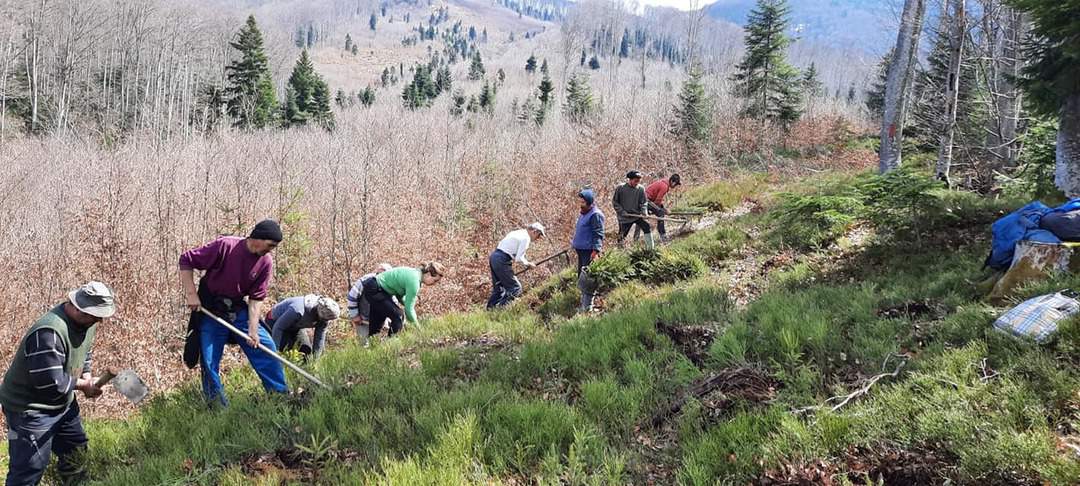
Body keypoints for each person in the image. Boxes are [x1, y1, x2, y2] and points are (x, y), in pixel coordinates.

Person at [0, 281, 116, 486]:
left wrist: (87, 376)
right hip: (30, 408)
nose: (100, 321)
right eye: (96, 316)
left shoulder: (86, 323)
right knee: (29, 469)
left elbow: (84, 350)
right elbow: (50, 383)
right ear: (80, 309)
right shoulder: (49, 332)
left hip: (62, 403)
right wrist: (84, 386)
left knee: (76, 452)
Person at [179, 219, 288, 407]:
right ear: (258, 238)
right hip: (210, 308)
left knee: (265, 345)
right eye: (270, 245)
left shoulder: (265, 262)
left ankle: (280, 395)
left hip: (237, 309)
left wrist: (253, 330)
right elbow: (186, 260)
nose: (271, 250)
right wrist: (191, 294)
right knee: (208, 357)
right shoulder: (226, 246)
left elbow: (256, 298)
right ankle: (218, 407)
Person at [360, 262, 445, 338]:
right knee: (398, 316)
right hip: (375, 290)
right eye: (435, 280)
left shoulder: (414, 273)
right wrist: (419, 329)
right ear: (428, 274)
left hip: (373, 287)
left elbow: (399, 296)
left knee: (377, 325)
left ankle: (372, 346)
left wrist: (408, 304)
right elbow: (408, 310)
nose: (434, 284)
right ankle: (391, 345)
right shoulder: (415, 281)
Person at [487, 222, 546, 309]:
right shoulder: (526, 238)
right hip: (502, 259)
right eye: (539, 235)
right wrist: (528, 264)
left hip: (494, 256)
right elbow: (519, 258)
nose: (538, 238)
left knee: (499, 289)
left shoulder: (517, 232)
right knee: (515, 288)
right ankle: (499, 310)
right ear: (534, 231)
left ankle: (489, 311)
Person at [264, 294, 341, 360]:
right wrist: (275, 351)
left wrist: (315, 360)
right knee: (289, 350)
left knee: (306, 353)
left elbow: (319, 338)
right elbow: (278, 327)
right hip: (274, 323)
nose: (326, 321)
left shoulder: (324, 318)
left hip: (295, 327)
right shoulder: (297, 310)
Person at [572, 189, 605, 312]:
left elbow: (598, 233)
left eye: (583, 202)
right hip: (581, 250)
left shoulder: (596, 215)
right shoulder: (583, 213)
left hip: (589, 251)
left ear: (589, 202)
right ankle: (583, 305)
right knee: (581, 277)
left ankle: (587, 307)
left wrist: (596, 250)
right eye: (580, 201)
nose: (581, 204)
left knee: (588, 279)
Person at [347, 263, 394, 346]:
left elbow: (393, 302)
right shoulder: (364, 281)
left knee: (377, 344)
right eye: (379, 273)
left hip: (379, 320)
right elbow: (352, 297)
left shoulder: (391, 284)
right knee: (364, 344)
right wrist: (355, 315)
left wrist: (389, 319)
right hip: (363, 318)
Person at [613, 170, 654, 250]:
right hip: (625, 217)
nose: (637, 183)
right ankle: (619, 251)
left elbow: (644, 202)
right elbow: (615, 202)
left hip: (637, 215)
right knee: (622, 235)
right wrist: (622, 212)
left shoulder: (640, 189)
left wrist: (644, 212)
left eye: (638, 181)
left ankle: (650, 248)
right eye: (635, 181)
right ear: (630, 179)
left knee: (646, 226)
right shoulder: (621, 188)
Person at [644, 173, 681, 241]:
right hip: (646, 200)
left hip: (649, 200)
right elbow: (657, 201)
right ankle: (662, 235)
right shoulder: (664, 186)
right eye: (675, 184)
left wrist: (663, 208)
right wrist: (663, 210)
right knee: (660, 213)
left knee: (660, 211)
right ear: (672, 182)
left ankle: (662, 234)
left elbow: (658, 201)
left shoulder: (664, 183)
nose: (675, 186)